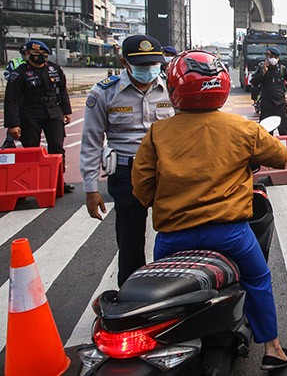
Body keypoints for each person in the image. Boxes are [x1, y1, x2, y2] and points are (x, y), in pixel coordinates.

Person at [131, 50, 287, 371]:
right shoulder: (242, 128)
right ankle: (273, 349)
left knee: (165, 297)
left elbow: (142, 190)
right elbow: (280, 157)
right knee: (258, 279)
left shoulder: (158, 134)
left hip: (172, 237)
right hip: (230, 234)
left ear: (176, 88)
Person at [80, 34, 175, 287]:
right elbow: (91, 142)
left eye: (153, 64)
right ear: (124, 62)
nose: (149, 70)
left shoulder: (171, 89)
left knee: (176, 233)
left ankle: (173, 289)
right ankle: (132, 295)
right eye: (142, 66)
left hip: (166, 172)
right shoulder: (103, 93)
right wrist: (91, 190)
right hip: (126, 173)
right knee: (130, 240)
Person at [4, 40, 74, 192]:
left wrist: (67, 111)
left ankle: (58, 181)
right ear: (28, 54)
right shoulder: (20, 73)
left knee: (57, 147)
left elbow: (62, 90)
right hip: (30, 115)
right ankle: (33, 183)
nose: (41, 57)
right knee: (31, 149)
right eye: (37, 54)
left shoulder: (54, 69)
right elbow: (11, 99)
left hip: (53, 113)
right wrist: (13, 124)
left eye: (44, 54)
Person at [251, 47, 287, 135]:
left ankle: (284, 149)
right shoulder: (261, 68)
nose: (271, 58)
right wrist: (263, 72)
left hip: (280, 105)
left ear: (277, 58)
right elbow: (254, 82)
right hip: (266, 105)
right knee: (266, 134)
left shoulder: (282, 69)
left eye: (273, 56)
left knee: (284, 131)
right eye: (269, 56)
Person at [2, 45, 26, 148]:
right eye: (24, 53)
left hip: (29, 95)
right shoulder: (15, 62)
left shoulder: (36, 62)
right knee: (15, 116)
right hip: (17, 93)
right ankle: (9, 140)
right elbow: (7, 74)